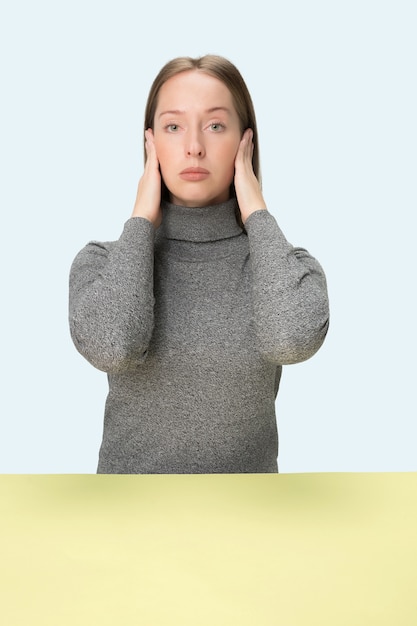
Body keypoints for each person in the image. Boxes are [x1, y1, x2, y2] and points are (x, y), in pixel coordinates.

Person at [69, 54, 329, 474]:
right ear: (150, 143)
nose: (194, 146)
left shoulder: (286, 265)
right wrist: (140, 218)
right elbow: (113, 346)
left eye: (215, 125)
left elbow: (291, 340)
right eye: (174, 127)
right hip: (126, 520)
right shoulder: (101, 263)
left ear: (245, 143)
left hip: (250, 520)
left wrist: (256, 210)